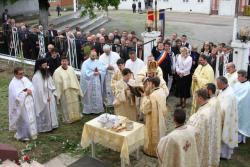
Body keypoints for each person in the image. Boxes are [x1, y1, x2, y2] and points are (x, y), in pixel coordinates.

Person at [188, 88, 218, 167]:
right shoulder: (209, 106)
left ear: (200, 98)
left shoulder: (203, 114)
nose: (195, 100)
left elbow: (196, 131)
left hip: (201, 141)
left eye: (196, 97)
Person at [140, 76, 168, 157]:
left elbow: (145, 109)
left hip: (153, 119)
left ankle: (151, 151)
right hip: (161, 117)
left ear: (152, 84)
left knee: (152, 134)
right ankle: (160, 149)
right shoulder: (162, 91)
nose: (148, 84)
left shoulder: (153, 96)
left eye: (149, 83)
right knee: (160, 132)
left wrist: (144, 96)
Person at [8, 67, 37, 141]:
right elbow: (15, 96)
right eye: (20, 74)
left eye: (23, 73)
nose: (22, 75)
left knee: (30, 118)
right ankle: (22, 135)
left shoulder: (24, 79)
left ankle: (31, 134)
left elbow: (31, 86)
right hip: (21, 105)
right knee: (24, 120)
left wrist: (30, 91)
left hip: (28, 103)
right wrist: (25, 93)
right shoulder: (13, 84)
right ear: (15, 74)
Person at [53, 56, 83, 123]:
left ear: (68, 62)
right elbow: (57, 82)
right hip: (64, 91)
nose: (64, 62)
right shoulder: (57, 71)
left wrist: (78, 89)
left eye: (65, 61)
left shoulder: (71, 69)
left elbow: (75, 79)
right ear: (61, 62)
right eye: (63, 61)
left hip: (73, 90)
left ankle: (76, 116)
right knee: (66, 105)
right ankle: (68, 118)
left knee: (75, 103)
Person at [32, 58, 58, 132]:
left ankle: (53, 124)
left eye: (46, 65)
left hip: (49, 95)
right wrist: (45, 97)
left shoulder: (46, 73)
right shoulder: (36, 77)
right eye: (44, 65)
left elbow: (51, 83)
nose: (46, 67)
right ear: (40, 66)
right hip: (43, 97)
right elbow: (38, 90)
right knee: (45, 111)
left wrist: (52, 91)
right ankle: (45, 126)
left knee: (51, 110)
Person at [216, 76, 238, 159]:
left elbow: (225, 109)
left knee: (225, 134)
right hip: (222, 117)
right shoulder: (224, 90)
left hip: (226, 119)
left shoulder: (229, 94)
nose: (217, 86)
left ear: (223, 84)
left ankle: (224, 154)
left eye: (218, 84)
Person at [80, 50, 106, 114]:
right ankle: (89, 110)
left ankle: (97, 109)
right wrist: (92, 73)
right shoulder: (85, 63)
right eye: (92, 55)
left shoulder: (99, 62)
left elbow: (103, 70)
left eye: (95, 55)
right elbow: (84, 73)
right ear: (89, 55)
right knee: (89, 96)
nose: (94, 56)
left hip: (97, 81)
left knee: (97, 94)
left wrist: (99, 72)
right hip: (89, 82)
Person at [206, 83, 222, 167]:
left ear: (209, 91)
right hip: (215, 126)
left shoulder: (211, 103)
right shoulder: (215, 100)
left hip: (211, 127)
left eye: (206, 89)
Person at [233, 70, 250, 144]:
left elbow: (246, 96)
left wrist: (237, 100)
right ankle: (236, 137)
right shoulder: (237, 84)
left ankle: (242, 138)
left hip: (244, 107)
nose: (238, 78)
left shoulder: (248, 86)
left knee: (242, 121)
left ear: (244, 76)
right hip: (235, 106)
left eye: (239, 76)